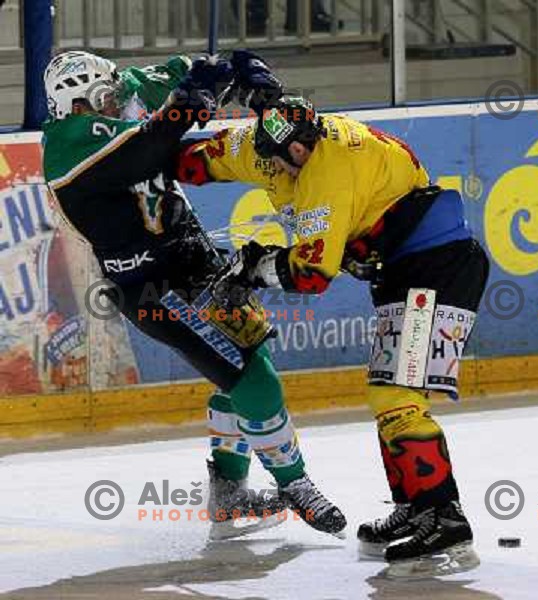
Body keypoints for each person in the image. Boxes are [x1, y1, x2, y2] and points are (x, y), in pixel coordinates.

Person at [175, 94, 489, 572]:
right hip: (406, 268)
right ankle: (413, 506)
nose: (288, 166)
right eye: (279, 157)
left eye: (294, 155)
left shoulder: (327, 170)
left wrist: (254, 268)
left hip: (435, 269)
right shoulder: (264, 144)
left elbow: (310, 276)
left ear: (306, 144)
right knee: (387, 394)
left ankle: (444, 516)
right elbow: (197, 162)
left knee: (397, 397)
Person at [41, 51, 346, 537]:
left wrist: (240, 70)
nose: (119, 97)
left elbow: (196, 69)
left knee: (250, 358)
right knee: (254, 380)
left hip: (193, 260)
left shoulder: (126, 90)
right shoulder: (66, 145)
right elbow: (148, 149)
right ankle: (296, 482)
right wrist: (193, 101)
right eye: (108, 95)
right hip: (152, 285)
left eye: (118, 90)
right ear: (82, 101)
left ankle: (228, 491)